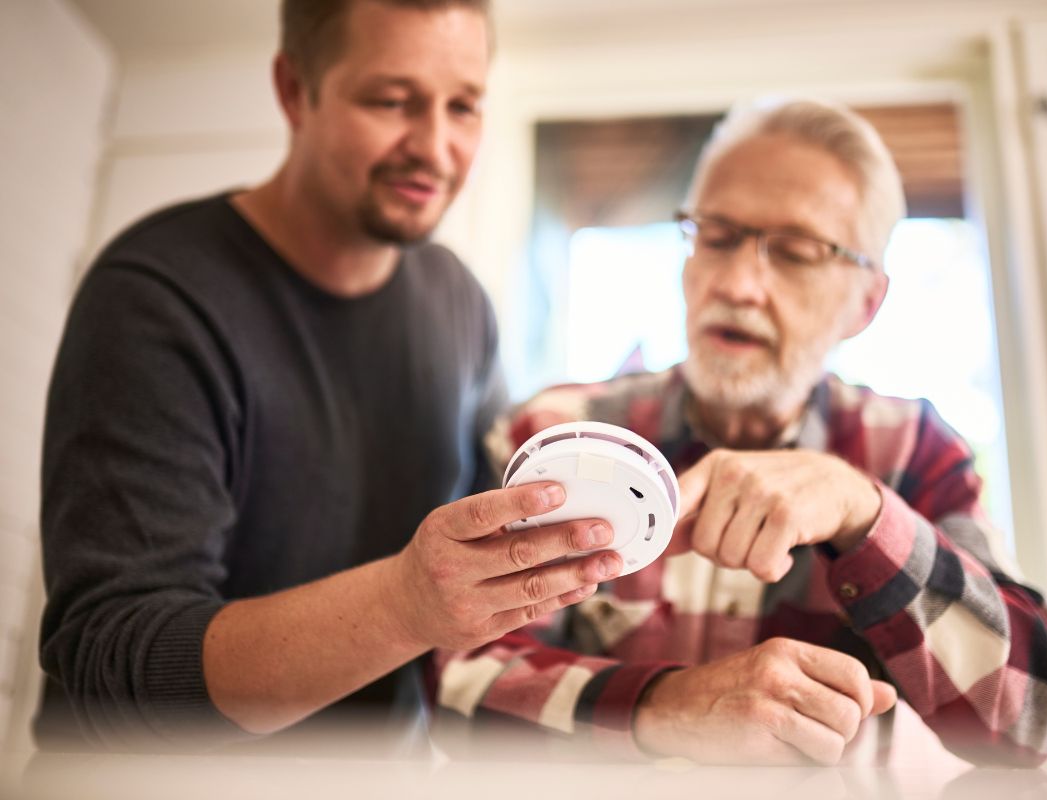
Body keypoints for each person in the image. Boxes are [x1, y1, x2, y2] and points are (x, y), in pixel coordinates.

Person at [36, 0, 623, 754]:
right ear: (293, 90)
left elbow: (497, 539)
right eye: (390, 101)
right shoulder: (158, 293)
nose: (436, 148)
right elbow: (113, 661)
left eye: (464, 106)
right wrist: (406, 604)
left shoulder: (459, 302)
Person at [433, 99, 1047, 767]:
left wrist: (866, 513)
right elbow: (458, 678)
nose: (737, 283)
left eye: (796, 253)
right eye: (716, 236)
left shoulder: (914, 450)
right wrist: (665, 705)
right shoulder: (556, 434)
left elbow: (1034, 720)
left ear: (866, 303)